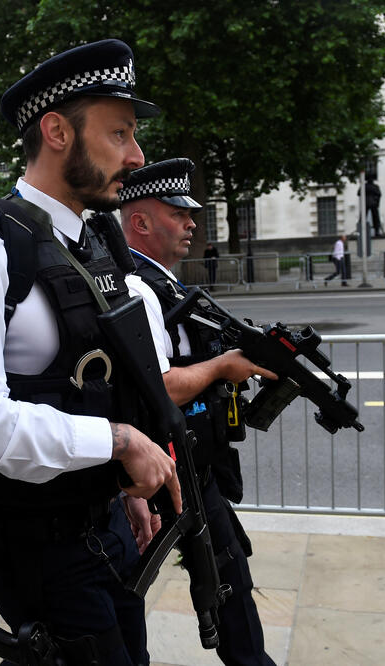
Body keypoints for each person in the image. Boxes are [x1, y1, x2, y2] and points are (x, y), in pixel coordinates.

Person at [0, 40, 181, 665]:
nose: (136, 156)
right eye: (119, 133)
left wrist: (120, 486)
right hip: (41, 546)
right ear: (58, 131)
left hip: (109, 523)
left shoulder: (90, 244)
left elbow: (88, 385)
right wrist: (120, 442)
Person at [119, 158, 278, 665]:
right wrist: (221, 367)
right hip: (167, 467)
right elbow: (160, 387)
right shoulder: (134, 286)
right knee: (217, 578)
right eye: (178, 213)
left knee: (227, 573)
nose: (191, 223)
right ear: (140, 222)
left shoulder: (163, 283)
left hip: (189, 462)